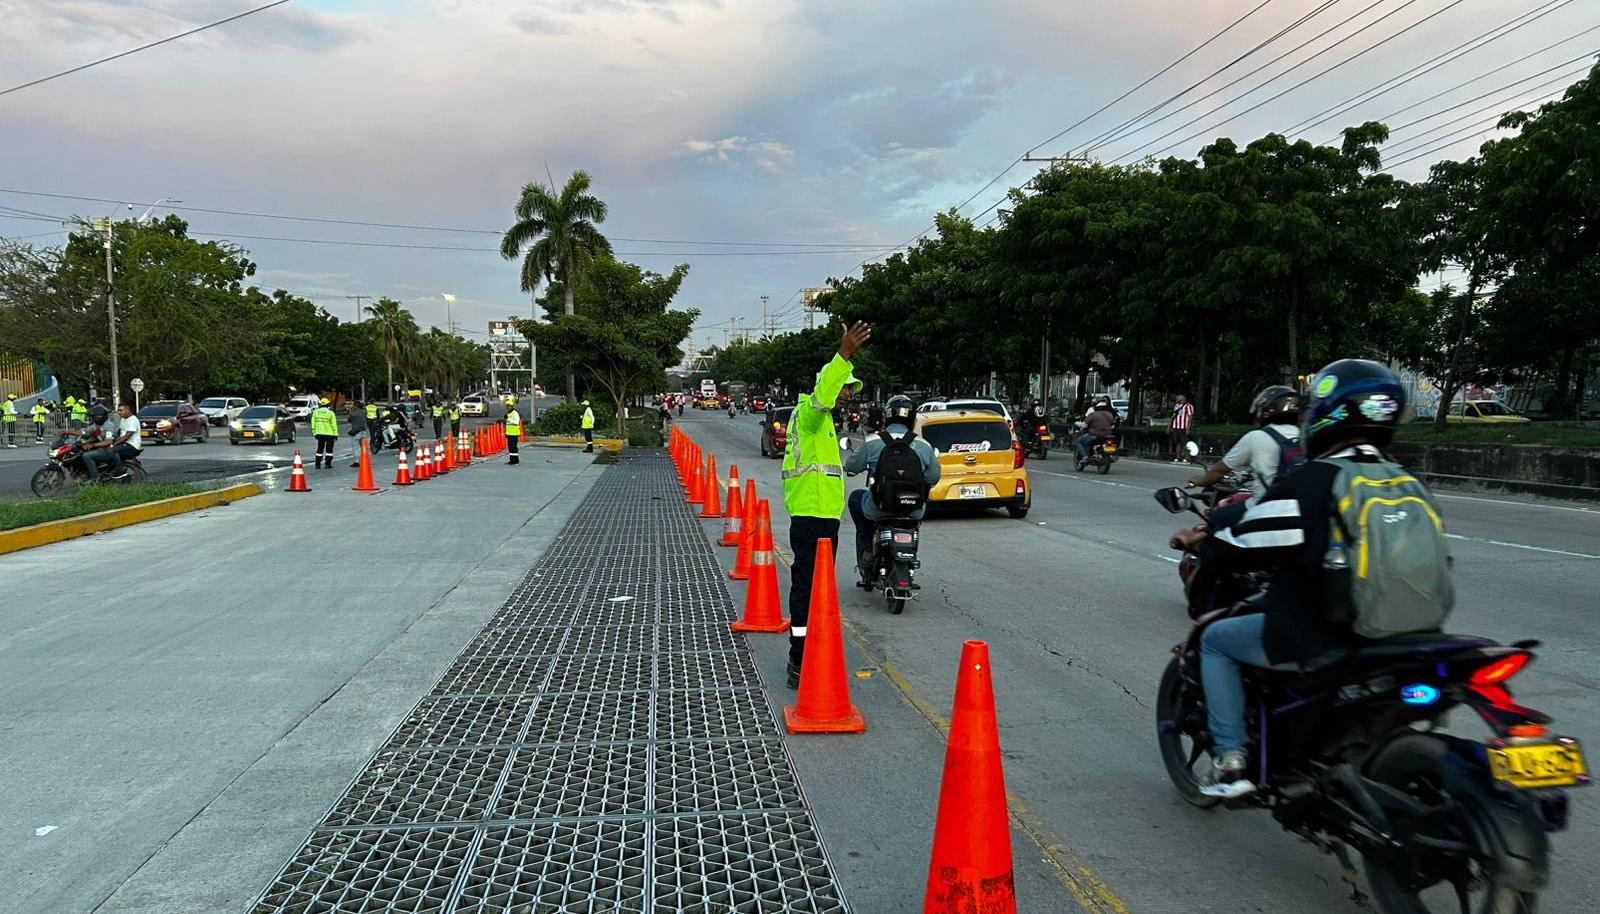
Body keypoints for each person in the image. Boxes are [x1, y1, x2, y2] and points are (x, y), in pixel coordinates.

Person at [1170, 359, 1438, 798]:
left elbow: (1244, 543)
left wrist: (1204, 544)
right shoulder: (1408, 481)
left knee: (1216, 640)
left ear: (1326, 413)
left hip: (1325, 636)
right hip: (1409, 638)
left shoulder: (1317, 481)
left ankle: (1232, 760)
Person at [781, 320, 872, 689]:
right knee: (807, 589)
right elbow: (822, 397)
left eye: (850, 389)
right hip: (811, 515)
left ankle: (813, 653)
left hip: (824, 517)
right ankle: (798, 659)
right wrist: (844, 354)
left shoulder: (826, 425)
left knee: (820, 590)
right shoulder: (811, 416)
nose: (848, 394)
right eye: (845, 388)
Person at [843, 395, 940, 577]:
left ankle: (868, 549)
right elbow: (933, 477)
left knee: (856, 498)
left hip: (878, 509)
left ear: (887, 416)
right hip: (913, 511)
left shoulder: (872, 441)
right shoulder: (923, 445)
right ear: (912, 418)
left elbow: (852, 466)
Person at [1187, 385, 1303, 500]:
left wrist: (1201, 480)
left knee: (1220, 515)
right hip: (1302, 507)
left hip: (1266, 507)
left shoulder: (1256, 437)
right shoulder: (1305, 437)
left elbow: (1221, 469)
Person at [83, 402, 141, 481]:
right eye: (118, 410)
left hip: (131, 445)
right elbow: (120, 433)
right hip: (125, 443)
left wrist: (114, 444)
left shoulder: (133, 420)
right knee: (108, 449)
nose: (119, 412)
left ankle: (120, 471)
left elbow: (127, 436)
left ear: (127, 410)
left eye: (121, 410)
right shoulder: (123, 419)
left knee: (112, 450)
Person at [1074, 397, 1120, 468]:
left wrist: (1078, 424)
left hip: (1094, 435)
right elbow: (1113, 423)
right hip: (1107, 436)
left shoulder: (1092, 415)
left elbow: (1084, 425)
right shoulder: (1110, 414)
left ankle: (1085, 456)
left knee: (1079, 441)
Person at [310, 397, 339, 469]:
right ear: (327, 404)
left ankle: (317, 464)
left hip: (319, 434)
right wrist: (336, 435)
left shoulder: (315, 412)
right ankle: (327, 464)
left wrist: (314, 433)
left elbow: (313, 423)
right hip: (330, 434)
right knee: (329, 450)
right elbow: (334, 425)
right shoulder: (331, 413)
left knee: (320, 449)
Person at [1170, 392, 1195, 463]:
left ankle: (1187, 458)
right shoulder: (1176, 406)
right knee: (1177, 442)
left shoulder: (1188, 406)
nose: (1176, 399)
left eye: (1177, 398)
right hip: (1176, 426)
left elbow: (1190, 417)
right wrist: (1171, 426)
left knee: (1184, 443)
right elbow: (1173, 416)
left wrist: (1188, 428)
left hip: (1183, 427)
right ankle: (1178, 457)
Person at [505, 397, 522, 465]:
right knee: (510, 448)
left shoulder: (515, 413)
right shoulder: (509, 413)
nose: (508, 407)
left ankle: (515, 461)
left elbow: (516, 422)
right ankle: (511, 460)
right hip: (509, 433)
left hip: (514, 433)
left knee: (513, 447)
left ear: (512, 406)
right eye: (507, 406)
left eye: (509, 406)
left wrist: (509, 420)